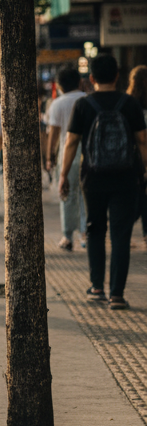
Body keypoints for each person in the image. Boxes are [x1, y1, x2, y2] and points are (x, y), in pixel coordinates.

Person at [60, 53, 147, 310]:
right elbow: (142, 141)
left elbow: (71, 143)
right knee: (121, 234)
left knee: (95, 229)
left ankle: (97, 287)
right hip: (126, 178)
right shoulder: (130, 104)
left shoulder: (83, 105)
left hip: (93, 177)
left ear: (91, 78)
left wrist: (64, 174)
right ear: (117, 76)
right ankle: (117, 294)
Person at [45, 66, 86, 250]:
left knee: (66, 193)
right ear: (80, 82)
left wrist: (49, 157)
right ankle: (85, 233)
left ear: (59, 85)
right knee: (85, 195)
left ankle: (67, 237)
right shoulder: (87, 99)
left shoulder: (57, 104)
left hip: (66, 153)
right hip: (88, 154)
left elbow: (53, 134)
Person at [127, 64, 147, 250]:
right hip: (142, 156)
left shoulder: (128, 103)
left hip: (133, 158)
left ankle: (123, 232)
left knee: (137, 196)